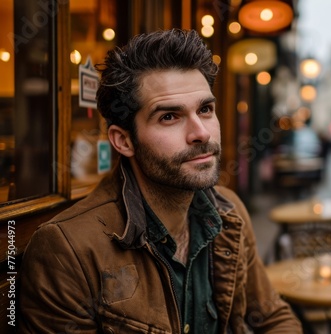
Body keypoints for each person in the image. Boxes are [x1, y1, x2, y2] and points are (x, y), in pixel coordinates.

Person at [18, 29, 302, 333]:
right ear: (124, 140)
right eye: (169, 116)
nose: (201, 133)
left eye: (205, 110)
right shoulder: (68, 251)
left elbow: (273, 318)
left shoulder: (229, 213)